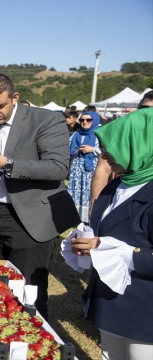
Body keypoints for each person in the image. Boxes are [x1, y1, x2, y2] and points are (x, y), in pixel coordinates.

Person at [0, 73, 80, 319]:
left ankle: (31, 346)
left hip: (31, 217)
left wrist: (6, 163)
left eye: (0, 105)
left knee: (29, 292)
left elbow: (57, 168)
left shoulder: (46, 120)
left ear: (15, 97)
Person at [72, 108, 153, 359]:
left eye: (113, 148)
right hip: (110, 303)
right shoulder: (119, 184)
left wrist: (118, 252)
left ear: (140, 146)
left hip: (144, 312)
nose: (104, 155)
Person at [68, 111, 101, 223]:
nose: (85, 122)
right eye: (82, 120)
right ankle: (76, 218)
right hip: (76, 170)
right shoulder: (76, 134)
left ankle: (88, 218)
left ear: (94, 121)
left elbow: (108, 150)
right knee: (76, 192)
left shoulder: (99, 135)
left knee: (88, 193)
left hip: (90, 171)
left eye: (88, 120)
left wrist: (93, 149)